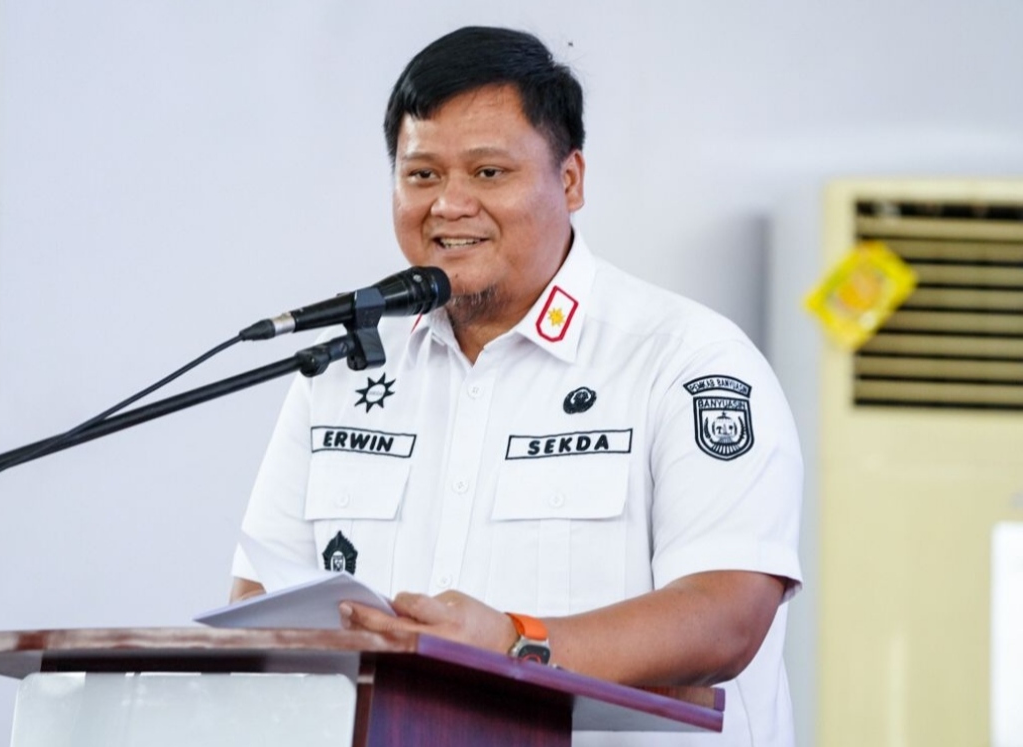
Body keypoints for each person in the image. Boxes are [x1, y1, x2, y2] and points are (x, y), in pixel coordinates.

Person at [230, 25, 802, 746]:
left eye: (488, 172)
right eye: (422, 175)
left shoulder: (686, 361)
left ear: (571, 180)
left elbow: (726, 616)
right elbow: (257, 603)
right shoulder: (344, 368)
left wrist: (513, 643)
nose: (449, 204)